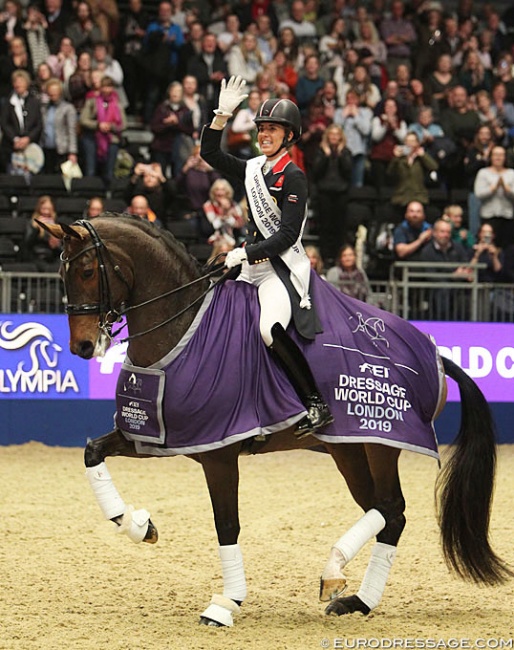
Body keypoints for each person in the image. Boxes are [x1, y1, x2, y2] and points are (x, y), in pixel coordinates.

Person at [200, 76, 333, 436]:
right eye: (261, 128)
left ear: (289, 136)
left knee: (268, 329)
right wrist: (221, 115)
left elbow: (288, 235)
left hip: (278, 269)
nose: (264, 135)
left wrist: (244, 253)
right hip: (248, 265)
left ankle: (315, 404)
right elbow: (209, 154)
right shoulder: (252, 169)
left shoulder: (294, 177)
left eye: (272, 129)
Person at [310, 124, 353, 265]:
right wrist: (326, 156)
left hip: (341, 193)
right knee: (325, 227)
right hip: (324, 193)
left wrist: (340, 155)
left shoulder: (345, 152)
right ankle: (325, 257)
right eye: (332, 134)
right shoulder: (320, 151)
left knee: (339, 227)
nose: (334, 137)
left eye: (337, 134)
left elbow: (348, 171)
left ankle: (338, 257)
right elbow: (316, 172)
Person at [79, 75, 127, 184]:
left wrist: (111, 126)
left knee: (109, 171)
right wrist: (98, 125)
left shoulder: (118, 104)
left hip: (111, 138)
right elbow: (83, 119)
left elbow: (123, 124)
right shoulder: (92, 101)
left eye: (109, 87)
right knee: (90, 169)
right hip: (92, 137)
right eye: (104, 87)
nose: (106, 89)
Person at [387, 131, 439, 218]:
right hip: (401, 197)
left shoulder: (421, 158)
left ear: (417, 143)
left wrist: (423, 155)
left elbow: (434, 167)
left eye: (412, 141)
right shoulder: (399, 159)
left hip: (419, 196)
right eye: (407, 141)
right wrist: (395, 158)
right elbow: (390, 173)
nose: (410, 144)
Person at [0, 69, 43, 174]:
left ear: (27, 83)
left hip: (30, 146)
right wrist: (15, 139)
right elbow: (4, 123)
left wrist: (28, 138)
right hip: (11, 146)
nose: (18, 84)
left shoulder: (34, 102)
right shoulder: (8, 102)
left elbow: (38, 124)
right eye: (16, 82)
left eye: (21, 81)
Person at [149, 80, 194, 177]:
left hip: (179, 148)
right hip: (161, 147)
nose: (175, 94)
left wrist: (177, 123)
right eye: (173, 91)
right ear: (169, 92)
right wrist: (167, 124)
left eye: (178, 91)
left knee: (177, 175)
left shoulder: (186, 111)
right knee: (159, 174)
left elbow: (190, 130)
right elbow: (154, 127)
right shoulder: (162, 108)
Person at [473, 145, 514, 249]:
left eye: (501, 155)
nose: (498, 158)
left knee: (506, 248)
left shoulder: (511, 173)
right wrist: (493, 189)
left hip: (507, 216)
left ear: (505, 157)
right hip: (488, 217)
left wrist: (507, 190)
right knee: (488, 245)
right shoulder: (483, 173)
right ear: (491, 157)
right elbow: (479, 194)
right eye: (496, 155)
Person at [40, 77, 78, 173]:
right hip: (46, 148)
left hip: (62, 150)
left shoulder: (68, 108)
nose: (53, 94)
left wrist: (72, 152)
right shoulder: (44, 108)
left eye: (55, 91)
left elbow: (71, 131)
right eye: (50, 91)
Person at [203, 178, 246, 246]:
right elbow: (214, 226)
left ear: (227, 192)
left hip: (234, 239)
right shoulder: (208, 205)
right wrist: (224, 210)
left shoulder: (234, 205)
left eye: (223, 190)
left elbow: (240, 225)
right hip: (214, 240)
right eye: (217, 190)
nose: (220, 193)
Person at [24, 195, 62, 271]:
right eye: (44, 209)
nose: (46, 212)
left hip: (52, 257)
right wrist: (36, 229)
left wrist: (56, 245)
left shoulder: (56, 224)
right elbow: (27, 243)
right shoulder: (32, 223)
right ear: (39, 209)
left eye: (49, 209)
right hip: (36, 256)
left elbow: (60, 249)